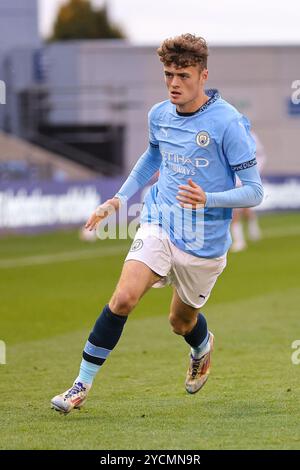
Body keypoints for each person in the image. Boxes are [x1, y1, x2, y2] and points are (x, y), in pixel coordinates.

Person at [51, 33, 264, 414]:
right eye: (168, 75)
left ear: (203, 75)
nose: (174, 84)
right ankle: (80, 385)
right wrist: (119, 198)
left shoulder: (228, 123)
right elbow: (152, 156)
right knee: (123, 298)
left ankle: (202, 346)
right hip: (159, 220)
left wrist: (208, 199)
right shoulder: (159, 115)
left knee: (180, 322)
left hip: (205, 242)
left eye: (183, 75)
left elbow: (254, 192)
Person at [230, 132, 267, 251]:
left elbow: (260, 156)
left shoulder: (251, 136)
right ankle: (246, 235)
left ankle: (240, 240)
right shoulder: (226, 135)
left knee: (241, 209)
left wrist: (255, 174)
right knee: (237, 209)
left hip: (245, 179)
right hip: (232, 179)